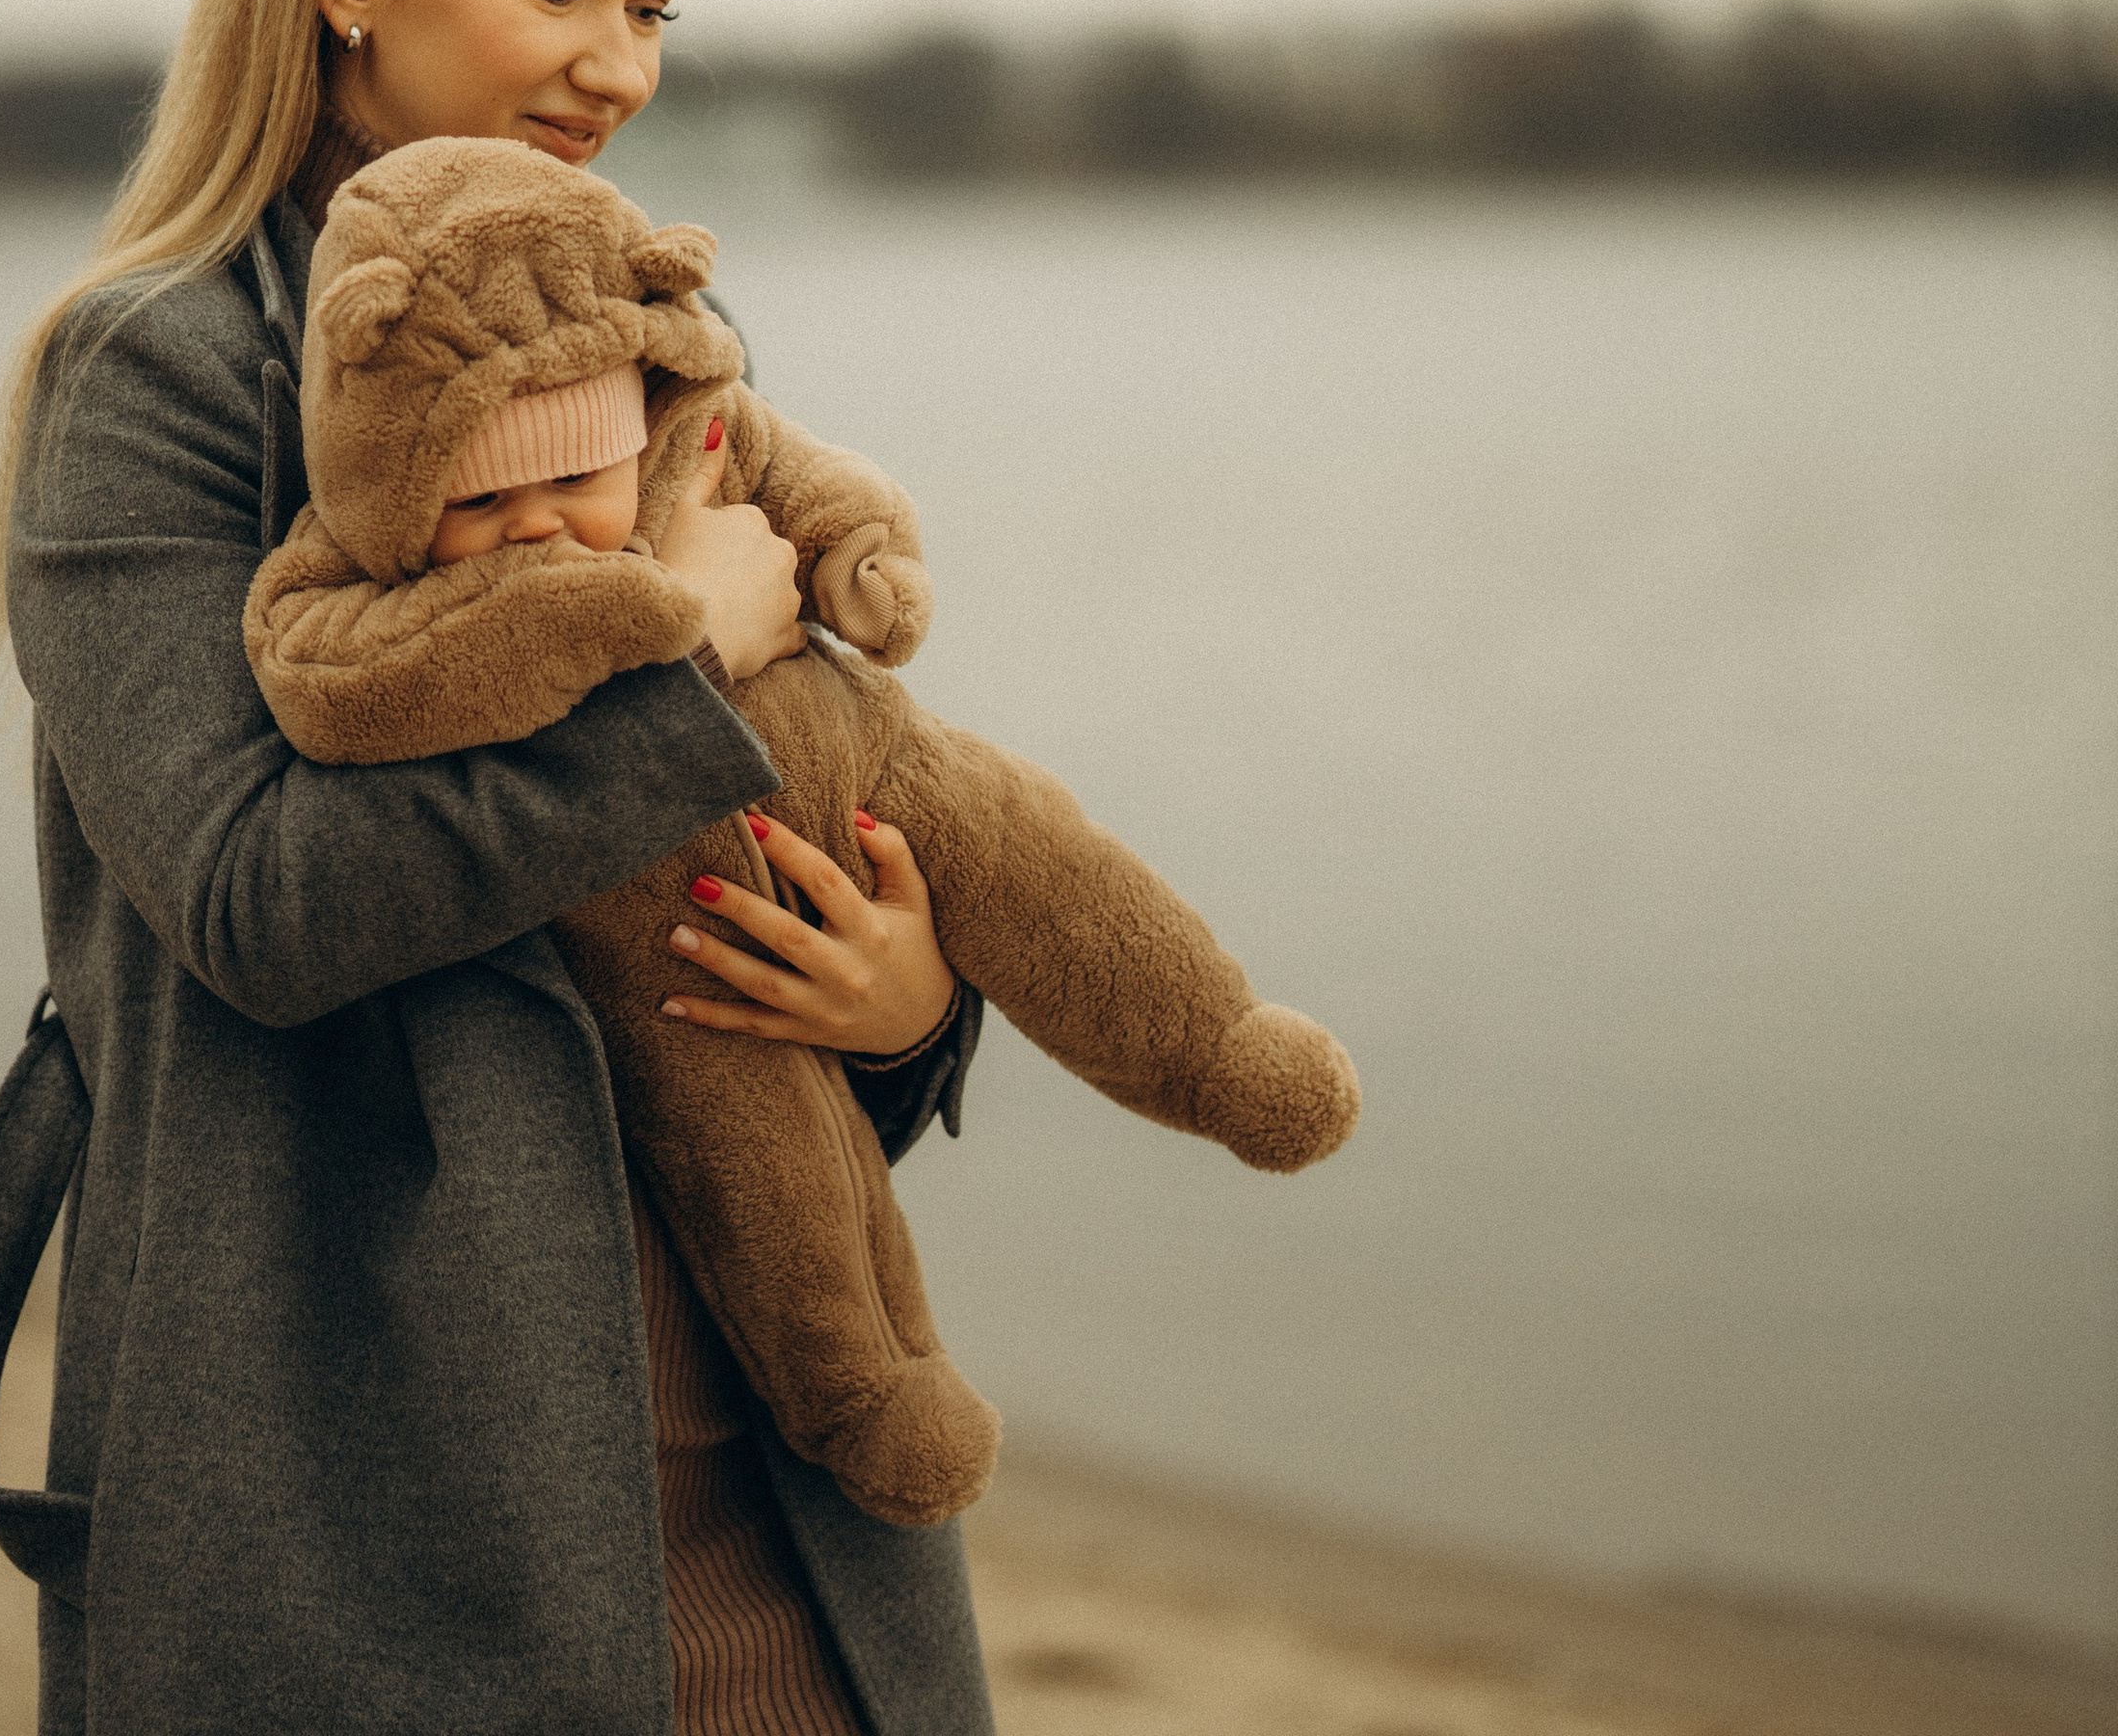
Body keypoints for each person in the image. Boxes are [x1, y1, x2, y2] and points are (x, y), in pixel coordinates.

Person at [0, 0, 996, 1736]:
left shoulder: (654, 341)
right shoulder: (152, 378)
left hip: (787, 1497)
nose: (614, 66)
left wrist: (900, 1007)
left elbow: (713, 871)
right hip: (381, 1540)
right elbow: (258, 907)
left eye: (654, 8)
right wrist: (673, 661)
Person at [242, 132, 1360, 1533]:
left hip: (871, 759)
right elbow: (327, 681)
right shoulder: (335, 557)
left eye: (571, 486)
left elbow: (799, 470)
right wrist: (636, 624)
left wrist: (859, 556)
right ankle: (868, 1394)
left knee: (1047, 864)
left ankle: (1216, 1048)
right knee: (767, 1175)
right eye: (478, 503)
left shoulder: (683, 415)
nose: (539, 530)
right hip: (675, 925)